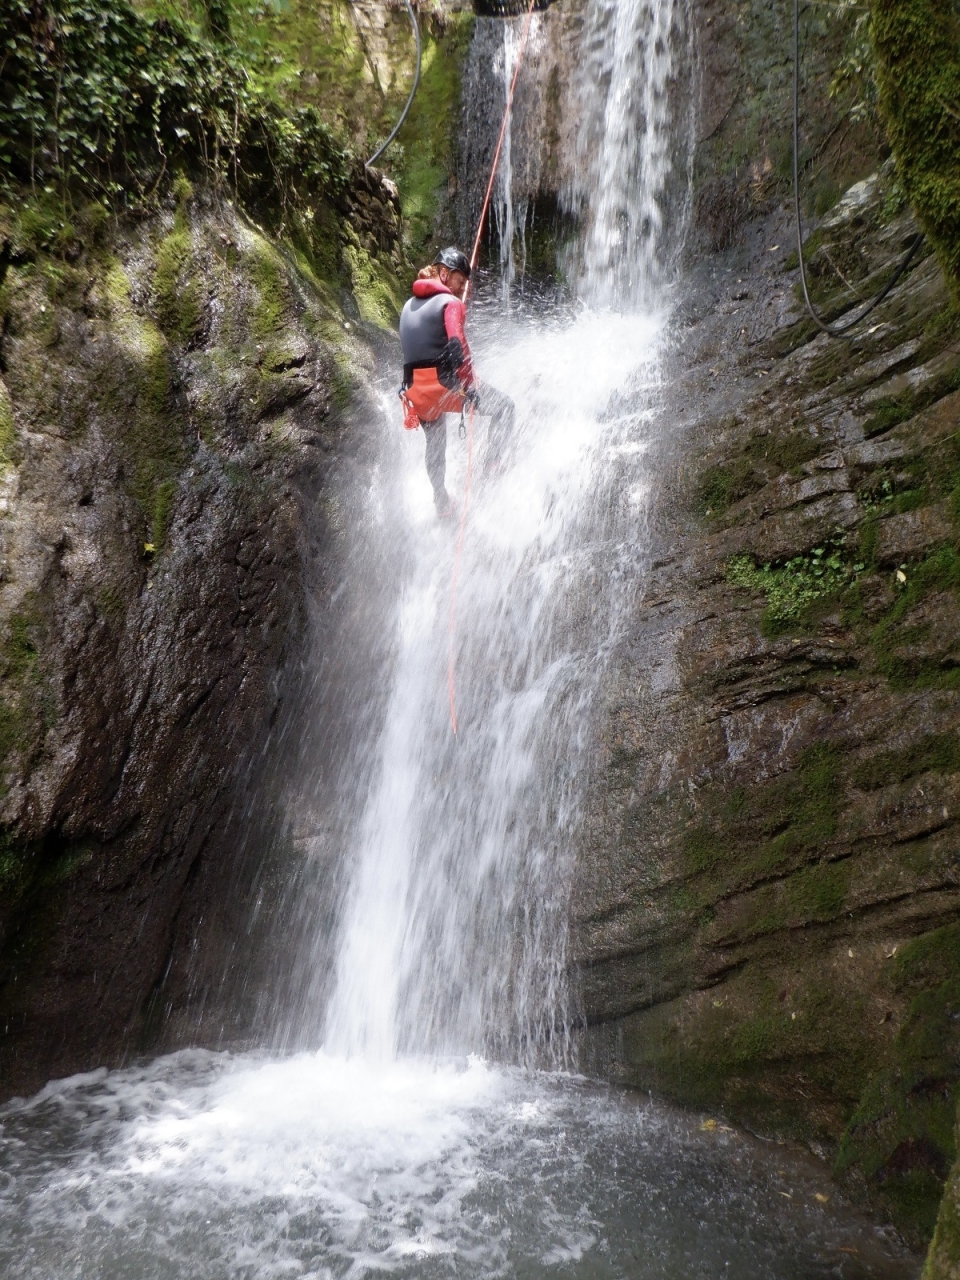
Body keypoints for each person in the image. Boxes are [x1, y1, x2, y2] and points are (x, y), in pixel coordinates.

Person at [399, 247, 515, 517]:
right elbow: (456, 345)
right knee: (505, 407)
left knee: (435, 442)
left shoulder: (407, 306)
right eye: (460, 281)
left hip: (415, 390)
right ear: (443, 274)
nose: (463, 289)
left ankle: (441, 501)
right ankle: (493, 465)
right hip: (445, 383)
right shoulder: (451, 304)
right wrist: (470, 386)